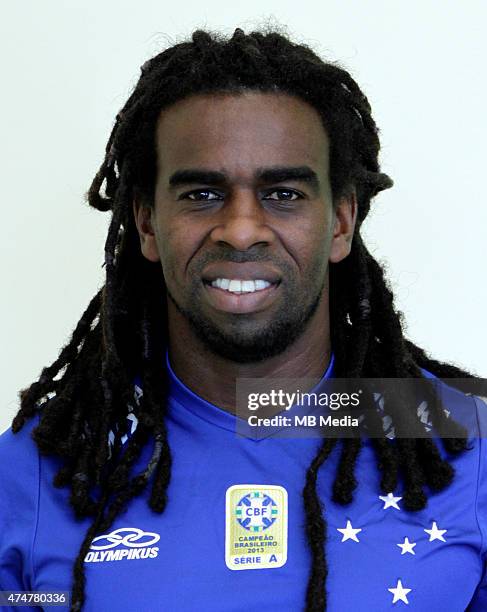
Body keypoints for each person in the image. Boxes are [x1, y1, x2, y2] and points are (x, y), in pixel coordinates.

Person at [0, 27, 486, 612]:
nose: (240, 229)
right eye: (202, 194)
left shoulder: (467, 438)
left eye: (283, 194)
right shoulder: (33, 468)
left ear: (340, 222)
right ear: (147, 223)